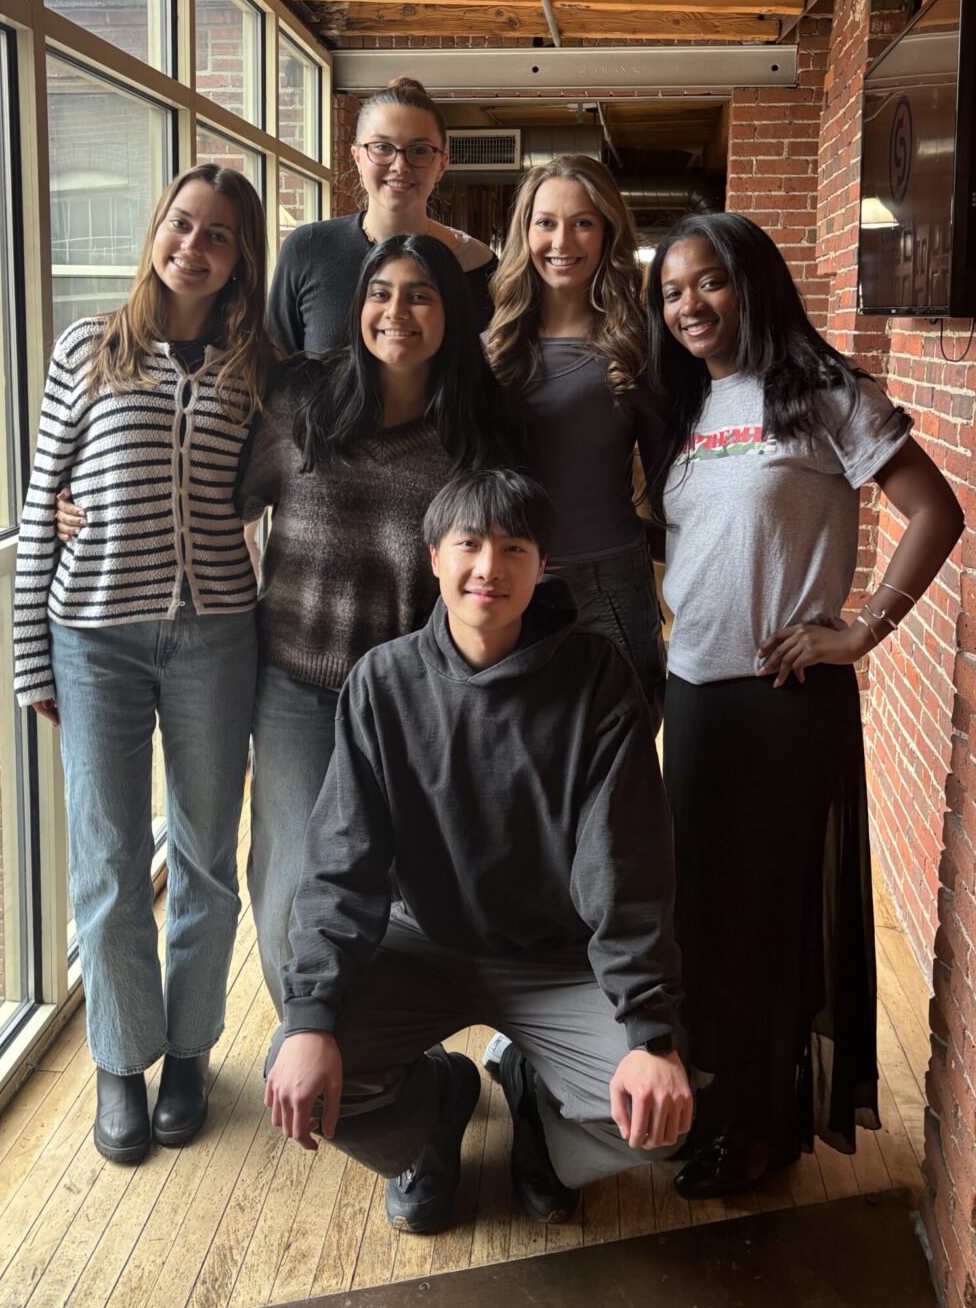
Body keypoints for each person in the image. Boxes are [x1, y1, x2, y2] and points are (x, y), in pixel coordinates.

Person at [263, 468, 693, 1235]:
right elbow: (340, 867)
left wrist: (648, 1031)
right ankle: (433, 1116)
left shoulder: (598, 683)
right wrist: (309, 1018)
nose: (489, 567)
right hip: (420, 938)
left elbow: (626, 866)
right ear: (434, 557)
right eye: (469, 545)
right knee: (300, 1073)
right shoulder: (382, 683)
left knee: (656, 1120)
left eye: (514, 548)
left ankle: (539, 1116)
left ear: (544, 564)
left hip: (557, 955)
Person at [645, 210, 964, 1198]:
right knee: (701, 915)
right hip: (694, 694)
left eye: (709, 281)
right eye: (672, 291)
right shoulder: (684, 405)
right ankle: (721, 1104)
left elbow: (937, 511)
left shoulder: (823, 392)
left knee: (766, 919)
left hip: (783, 695)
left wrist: (862, 629)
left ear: (753, 282)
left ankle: (760, 1126)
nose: (690, 305)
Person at [13, 163, 273, 1165]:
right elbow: (41, 500)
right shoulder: (87, 347)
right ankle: (121, 1060)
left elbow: (276, 487)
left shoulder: (255, 369)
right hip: (94, 641)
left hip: (218, 638)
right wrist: (32, 657)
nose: (193, 246)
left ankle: (190, 1051)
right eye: (181, 224)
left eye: (218, 234)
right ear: (156, 229)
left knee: (205, 855)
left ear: (241, 256)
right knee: (110, 859)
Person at [240, 235, 513, 1011]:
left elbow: (495, 568)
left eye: (421, 295)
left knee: (398, 896)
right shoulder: (302, 399)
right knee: (289, 886)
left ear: (451, 312)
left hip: (413, 697)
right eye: (381, 293)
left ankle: (391, 1068)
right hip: (296, 687)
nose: (398, 312)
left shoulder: (477, 427)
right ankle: (308, 1043)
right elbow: (220, 499)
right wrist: (69, 503)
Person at [487, 155, 665, 726]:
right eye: (546, 223)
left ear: (608, 232)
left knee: (624, 748)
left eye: (583, 223)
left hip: (606, 579)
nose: (561, 241)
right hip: (502, 579)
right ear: (525, 231)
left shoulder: (639, 346)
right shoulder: (490, 345)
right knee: (513, 756)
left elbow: (672, 485)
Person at [267, 77, 496, 353]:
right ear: (357, 157)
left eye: (419, 150)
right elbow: (277, 365)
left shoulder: (477, 266)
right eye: (382, 147)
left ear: (441, 165)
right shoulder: (308, 248)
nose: (400, 165)